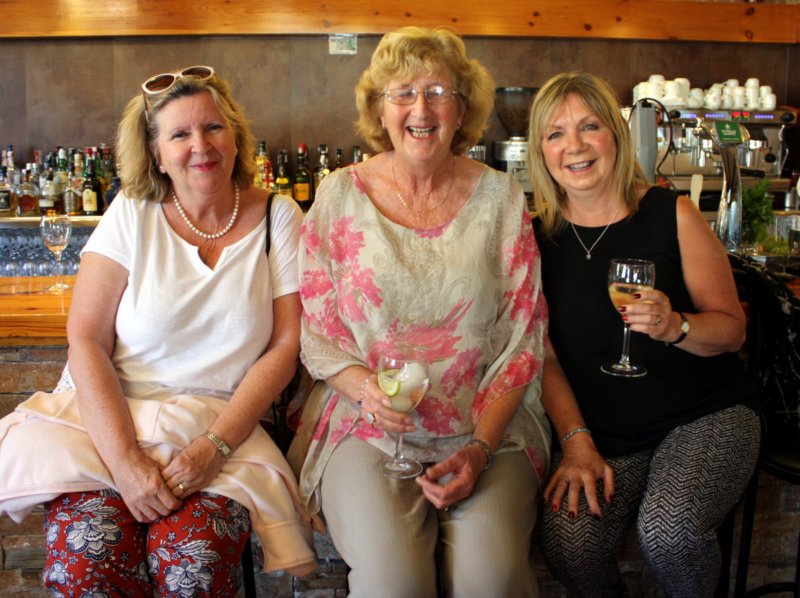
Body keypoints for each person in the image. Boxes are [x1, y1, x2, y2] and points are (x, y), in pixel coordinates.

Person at [0, 65, 317, 595]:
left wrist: (213, 447)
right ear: (156, 154)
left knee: (193, 566)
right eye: (179, 134)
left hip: (216, 431)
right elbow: (86, 338)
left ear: (236, 137)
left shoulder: (278, 217)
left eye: (213, 128)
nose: (201, 146)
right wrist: (125, 463)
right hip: (109, 426)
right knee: (88, 560)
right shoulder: (132, 211)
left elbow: (286, 346)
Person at [286, 27, 551, 597]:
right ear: (379, 110)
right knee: (394, 585)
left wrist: (478, 450)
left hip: (487, 431)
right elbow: (319, 333)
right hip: (367, 428)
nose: (421, 109)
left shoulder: (503, 198)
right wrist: (366, 393)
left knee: (492, 582)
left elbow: (522, 339)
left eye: (437, 92)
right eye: (403, 93)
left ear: (462, 109)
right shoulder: (337, 195)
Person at [528, 71, 761, 597]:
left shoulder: (671, 214)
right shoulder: (537, 240)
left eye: (590, 126)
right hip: (607, 433)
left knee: (670, 533)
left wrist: (677, 326)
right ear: (542, 152)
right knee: (568, 542)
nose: (575, 146)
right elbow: (545, 358)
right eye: (556, 133)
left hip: (705, 414)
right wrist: (576, 442)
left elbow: (731, 330)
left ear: (615, 135)